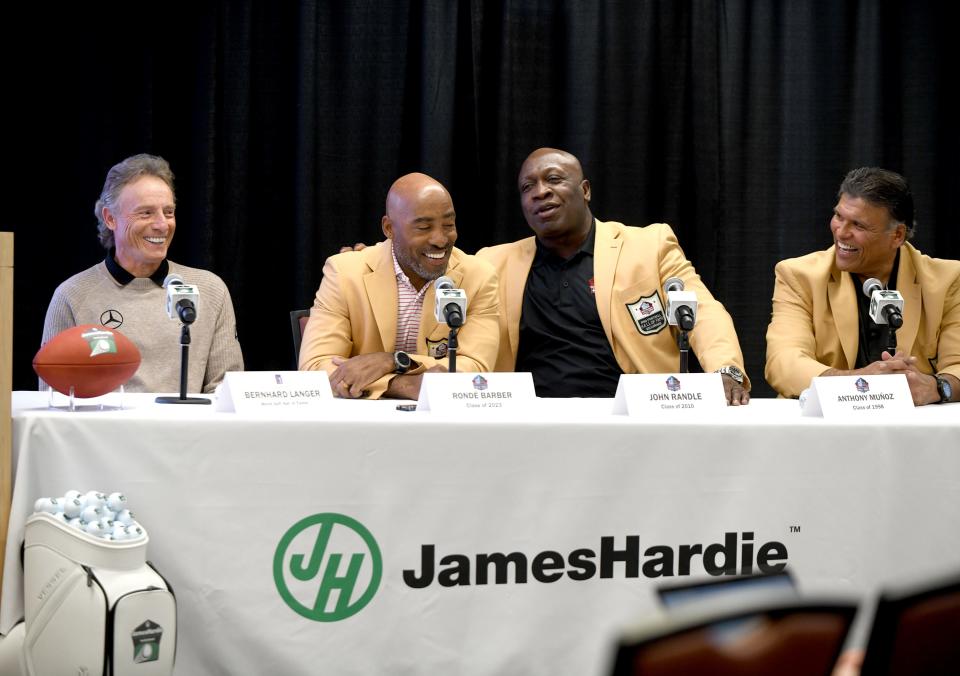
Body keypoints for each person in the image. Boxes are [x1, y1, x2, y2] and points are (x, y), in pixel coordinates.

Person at [475, 147, 750, 403]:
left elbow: (702, 310)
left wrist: (725, 369)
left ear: (585, 190)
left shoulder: (649, 245)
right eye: (527, 187)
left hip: (630, 415)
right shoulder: (492, 263)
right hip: (529, 419)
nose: (540, 192)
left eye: (554, 179)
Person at [40, 153, 243, 394]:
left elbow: (227, 392)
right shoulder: (72, 295)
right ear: (110, 218)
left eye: (168, 212)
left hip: (188, 432)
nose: (162, 224)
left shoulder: (210, 290)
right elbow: (54, 398)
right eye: (146, 213)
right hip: (104, 432)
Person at [765, 166, 959, 405]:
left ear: (897, 235)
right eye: (839, 216)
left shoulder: (949, 279)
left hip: (912, 431)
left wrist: (937, 386)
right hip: (822, 428)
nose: (841, 232)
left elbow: (957, 366)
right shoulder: (799, 275)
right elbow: (783, 361)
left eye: (858, 225)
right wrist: (856, 381)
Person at [299, 172, 499, 399]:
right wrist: (404, 385)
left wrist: (392, 360)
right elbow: (315, 367)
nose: (441, 239)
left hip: (442, 424)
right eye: (424, 227)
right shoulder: (345, 272)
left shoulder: (479, 277)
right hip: (363, 423)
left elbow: (475, 368)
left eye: (448, 224)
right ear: (389, 228)